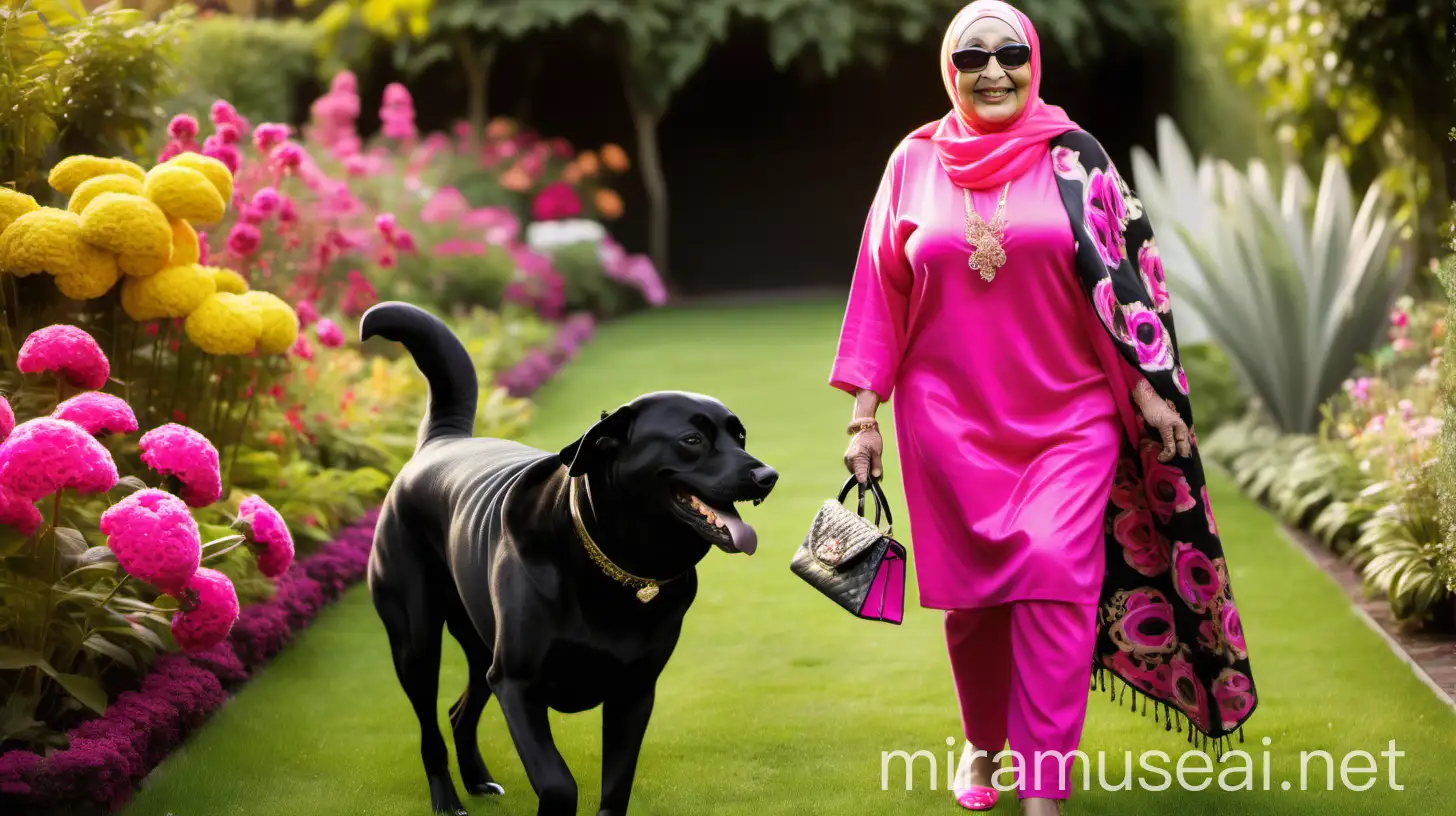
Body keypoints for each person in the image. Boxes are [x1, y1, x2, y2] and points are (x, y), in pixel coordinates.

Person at [828, 2, 1258, 812]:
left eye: (1010, 53)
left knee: (1057, 579)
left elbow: (1123, 282)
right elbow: (878, 293)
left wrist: (1145, 386)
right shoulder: (913, 161)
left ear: (1035, 60)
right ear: (948, 69)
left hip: (1070, 415)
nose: (993, 71)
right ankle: (984, 751)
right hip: (947, 420)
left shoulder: (1076, 157)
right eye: (972, 56)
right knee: (976, 607)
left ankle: (1044, 786)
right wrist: (863, 413)